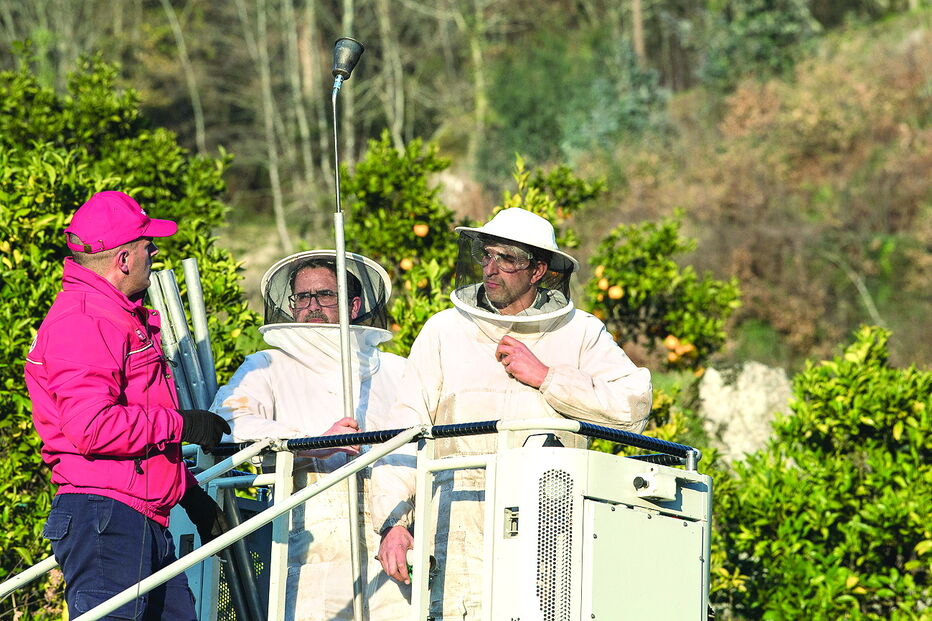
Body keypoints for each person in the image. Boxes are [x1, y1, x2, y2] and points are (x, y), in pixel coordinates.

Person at [371, 207, 653, 620]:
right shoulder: (444, 330)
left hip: (551, 518)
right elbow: (404, 429)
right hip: (455, 517)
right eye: (487, 255)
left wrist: (548, 377)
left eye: (507, 259)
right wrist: (392, 523)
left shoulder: (580, 332)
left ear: (538, 270)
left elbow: (634, 406)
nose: (492, 268)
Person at [25, 191, 232, 620]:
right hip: (106, 520)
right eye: (147, 245)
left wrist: (190, 494)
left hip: (134, 517)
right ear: (123, 259)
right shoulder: (85, 319)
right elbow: (92, 427)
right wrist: (183, 425)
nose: (153, 252)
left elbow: (133, 429)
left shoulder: (114, 314)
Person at [210, 250, 411, 621]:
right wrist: (312, 444)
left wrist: (400, 524)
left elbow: (420, 452)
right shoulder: (267, 365)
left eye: (325, 295)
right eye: (302, 297)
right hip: (309, 546)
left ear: (353, 305)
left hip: (392, 542)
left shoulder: (397, 372)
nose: (312, 305)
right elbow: (226, 426)